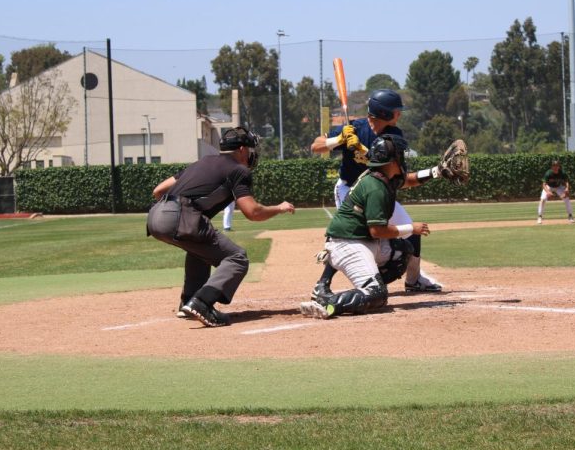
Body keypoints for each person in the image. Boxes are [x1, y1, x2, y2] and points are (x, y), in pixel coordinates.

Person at [147, 126, 295, 327]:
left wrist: (176, 211)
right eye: (251, 150)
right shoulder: (238, 170)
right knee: (237, 258)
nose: (252, 155)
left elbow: (158, 190)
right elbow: (252, 212)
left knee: (200, 250)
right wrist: (279, 207)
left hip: (155, 215)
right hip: (178, 216)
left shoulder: (202, 162)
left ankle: (188, 302)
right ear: (242, 150)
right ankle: (203, 302)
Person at [309, 88, 444, 299]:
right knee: (351, 234)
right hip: (350, 190)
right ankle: (323, 283)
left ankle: (414, 279)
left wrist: (436, 172)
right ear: (384, 113)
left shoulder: (394, 135)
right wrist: (339, 140)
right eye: (396, 111)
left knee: (411, 231)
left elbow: (399, 178)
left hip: (379, 190)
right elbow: (315, 146)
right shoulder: (354, 128)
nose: (399, 115)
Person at [300, 134, 430, 319]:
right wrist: (411, 228)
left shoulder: (383, 177)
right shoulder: (376, 186)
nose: (402, 159)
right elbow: (377, 230)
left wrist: (437, 171)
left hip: (361, 241)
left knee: (403, 251)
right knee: (378, 294)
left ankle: (367, 286)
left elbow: (410, 180)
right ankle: (328, 303)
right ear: (391, 160)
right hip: (348, 244)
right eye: (400, 155)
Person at [537, 159, 575, 224]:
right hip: (549, 187)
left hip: (558, 187)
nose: (555, 167)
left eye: (557, 165)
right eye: (554, 165)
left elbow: (566, 182)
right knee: (543, 199)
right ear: (551, 167)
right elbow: (544, 184)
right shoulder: (548, 173)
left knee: (566, 198)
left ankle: (570, 216)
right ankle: (540, 217)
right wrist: (548, 192)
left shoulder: (562, 173)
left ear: (559, 166)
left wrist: (567, 188)